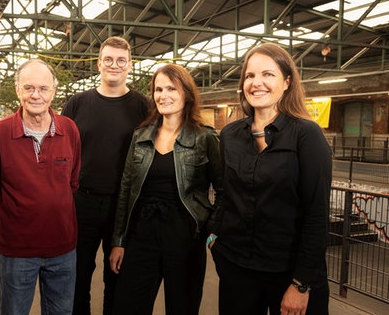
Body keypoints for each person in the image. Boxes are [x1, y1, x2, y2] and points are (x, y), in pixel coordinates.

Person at [210, 42, 332, 315]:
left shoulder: (306, 136)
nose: (257, 83)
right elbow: (226, 195)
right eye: (250, 76)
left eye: (268, 74)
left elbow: (317, 214)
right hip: (237, 267)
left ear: (287, 82)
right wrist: (214, 237)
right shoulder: (229, 135)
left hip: (288, 273)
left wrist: (301, 284)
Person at [109, 63, 223, 314]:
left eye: (171, 88)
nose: (163, 95)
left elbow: (224, 191)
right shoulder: (140, 136)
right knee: (128, 305)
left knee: (182, 306)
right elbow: (126, 190)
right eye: (158, 89)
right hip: (142, 233)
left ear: (187, 94)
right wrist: (119, 241)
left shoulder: (204, 138)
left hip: (185, 237)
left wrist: (212, 231)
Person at [0, 58, 81, 315]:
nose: (36, 95)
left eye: (43, 88)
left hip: (63, 248)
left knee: (61, 312)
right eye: (28, 88)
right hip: (17, 251)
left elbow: (71, 183)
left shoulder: (69, 130)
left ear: (54, 91)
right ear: (18, 90)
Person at [61, 36, 149, 315]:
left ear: (129, 65)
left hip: (123, 208)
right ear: (98, 64)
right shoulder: (77, 104)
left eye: (121, 60)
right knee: (77, 279)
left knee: (118, 280)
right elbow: (62, 153)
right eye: (108, 60)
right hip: (81, 203)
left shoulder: (144, 107)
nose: (114, 65)